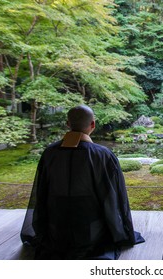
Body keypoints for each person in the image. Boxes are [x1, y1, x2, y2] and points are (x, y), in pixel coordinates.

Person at [20, 105, 144, 259]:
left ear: (67, 124)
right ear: (93, 124)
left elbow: (42, 192)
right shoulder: (102, 154)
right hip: (91, 229)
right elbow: (114, 196)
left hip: (55, 228)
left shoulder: (50, 152)